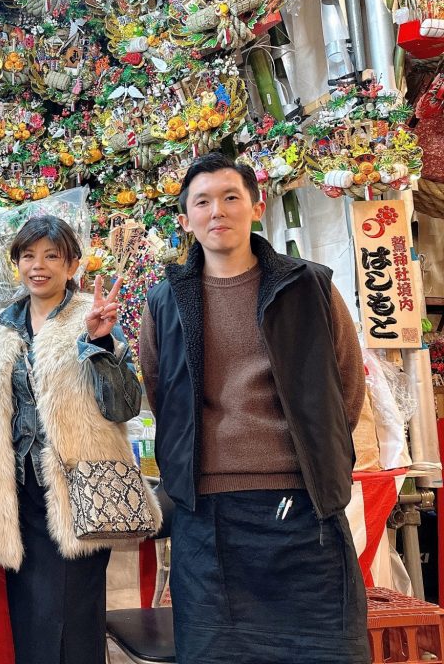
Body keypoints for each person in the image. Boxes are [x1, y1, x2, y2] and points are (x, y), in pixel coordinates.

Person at [138, 153, 369, 663]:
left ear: (255, 207)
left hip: (304, 503)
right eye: (202, 202)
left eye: (230, 197)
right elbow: (162, 392)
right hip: (208, 509)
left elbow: (346, 385)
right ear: (186, 220)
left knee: (324, 651)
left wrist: (314, 450)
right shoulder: (165, 301)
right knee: (218, 651)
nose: (216, 211)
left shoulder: (307, 286)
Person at [0, 215, 148, 664]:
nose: (39, 266)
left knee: (73, 615)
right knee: (30, 614)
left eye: (52, 255)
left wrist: (99, 345)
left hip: (80, 490)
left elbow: (125, 405)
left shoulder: (91, 317)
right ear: (17, 263)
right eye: (28, 255)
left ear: (71, 264)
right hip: (18, 493)